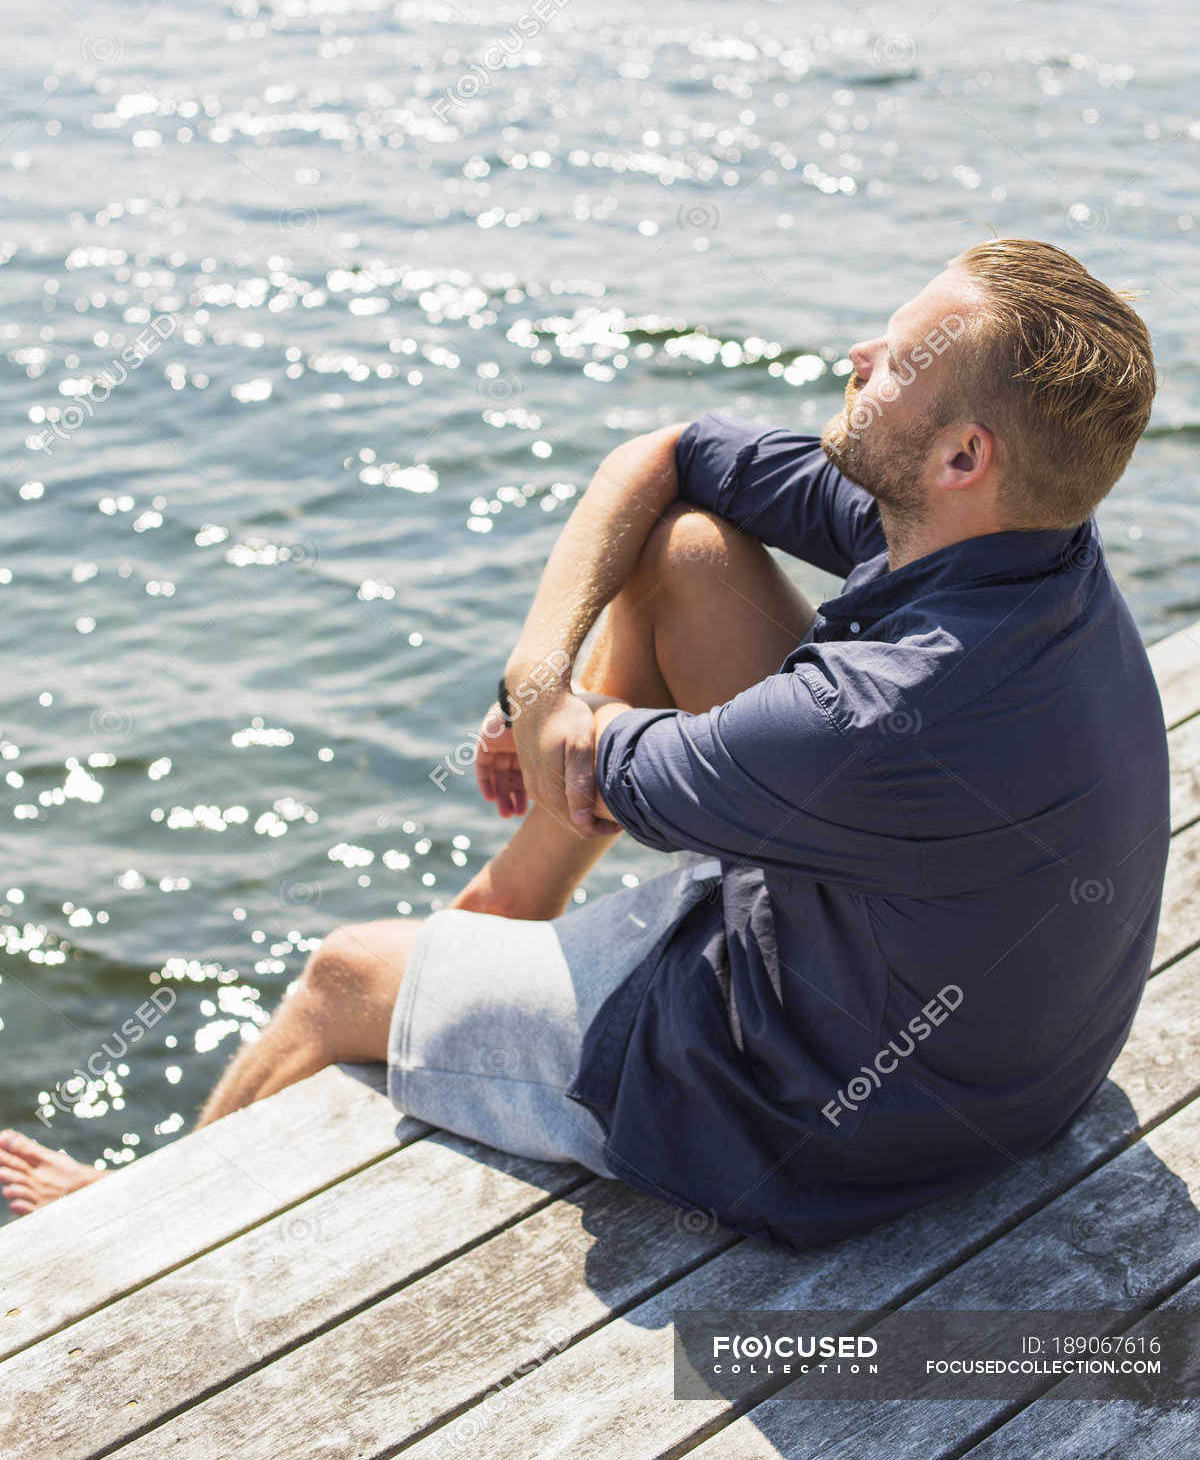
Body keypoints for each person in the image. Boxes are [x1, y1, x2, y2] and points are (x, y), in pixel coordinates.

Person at [0, 238, 1168, 1253]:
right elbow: (666, 456)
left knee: (344, 977)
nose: (858, 353)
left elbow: (589, 766)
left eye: (898, 360)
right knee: (694, 553)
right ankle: (507, 912)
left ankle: (136, 1222)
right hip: (999, 1057)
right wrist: (537, 682)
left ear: (964, 455)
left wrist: (552, 727)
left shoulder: (863, 719)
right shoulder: (1012, 540)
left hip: (809, 1117)